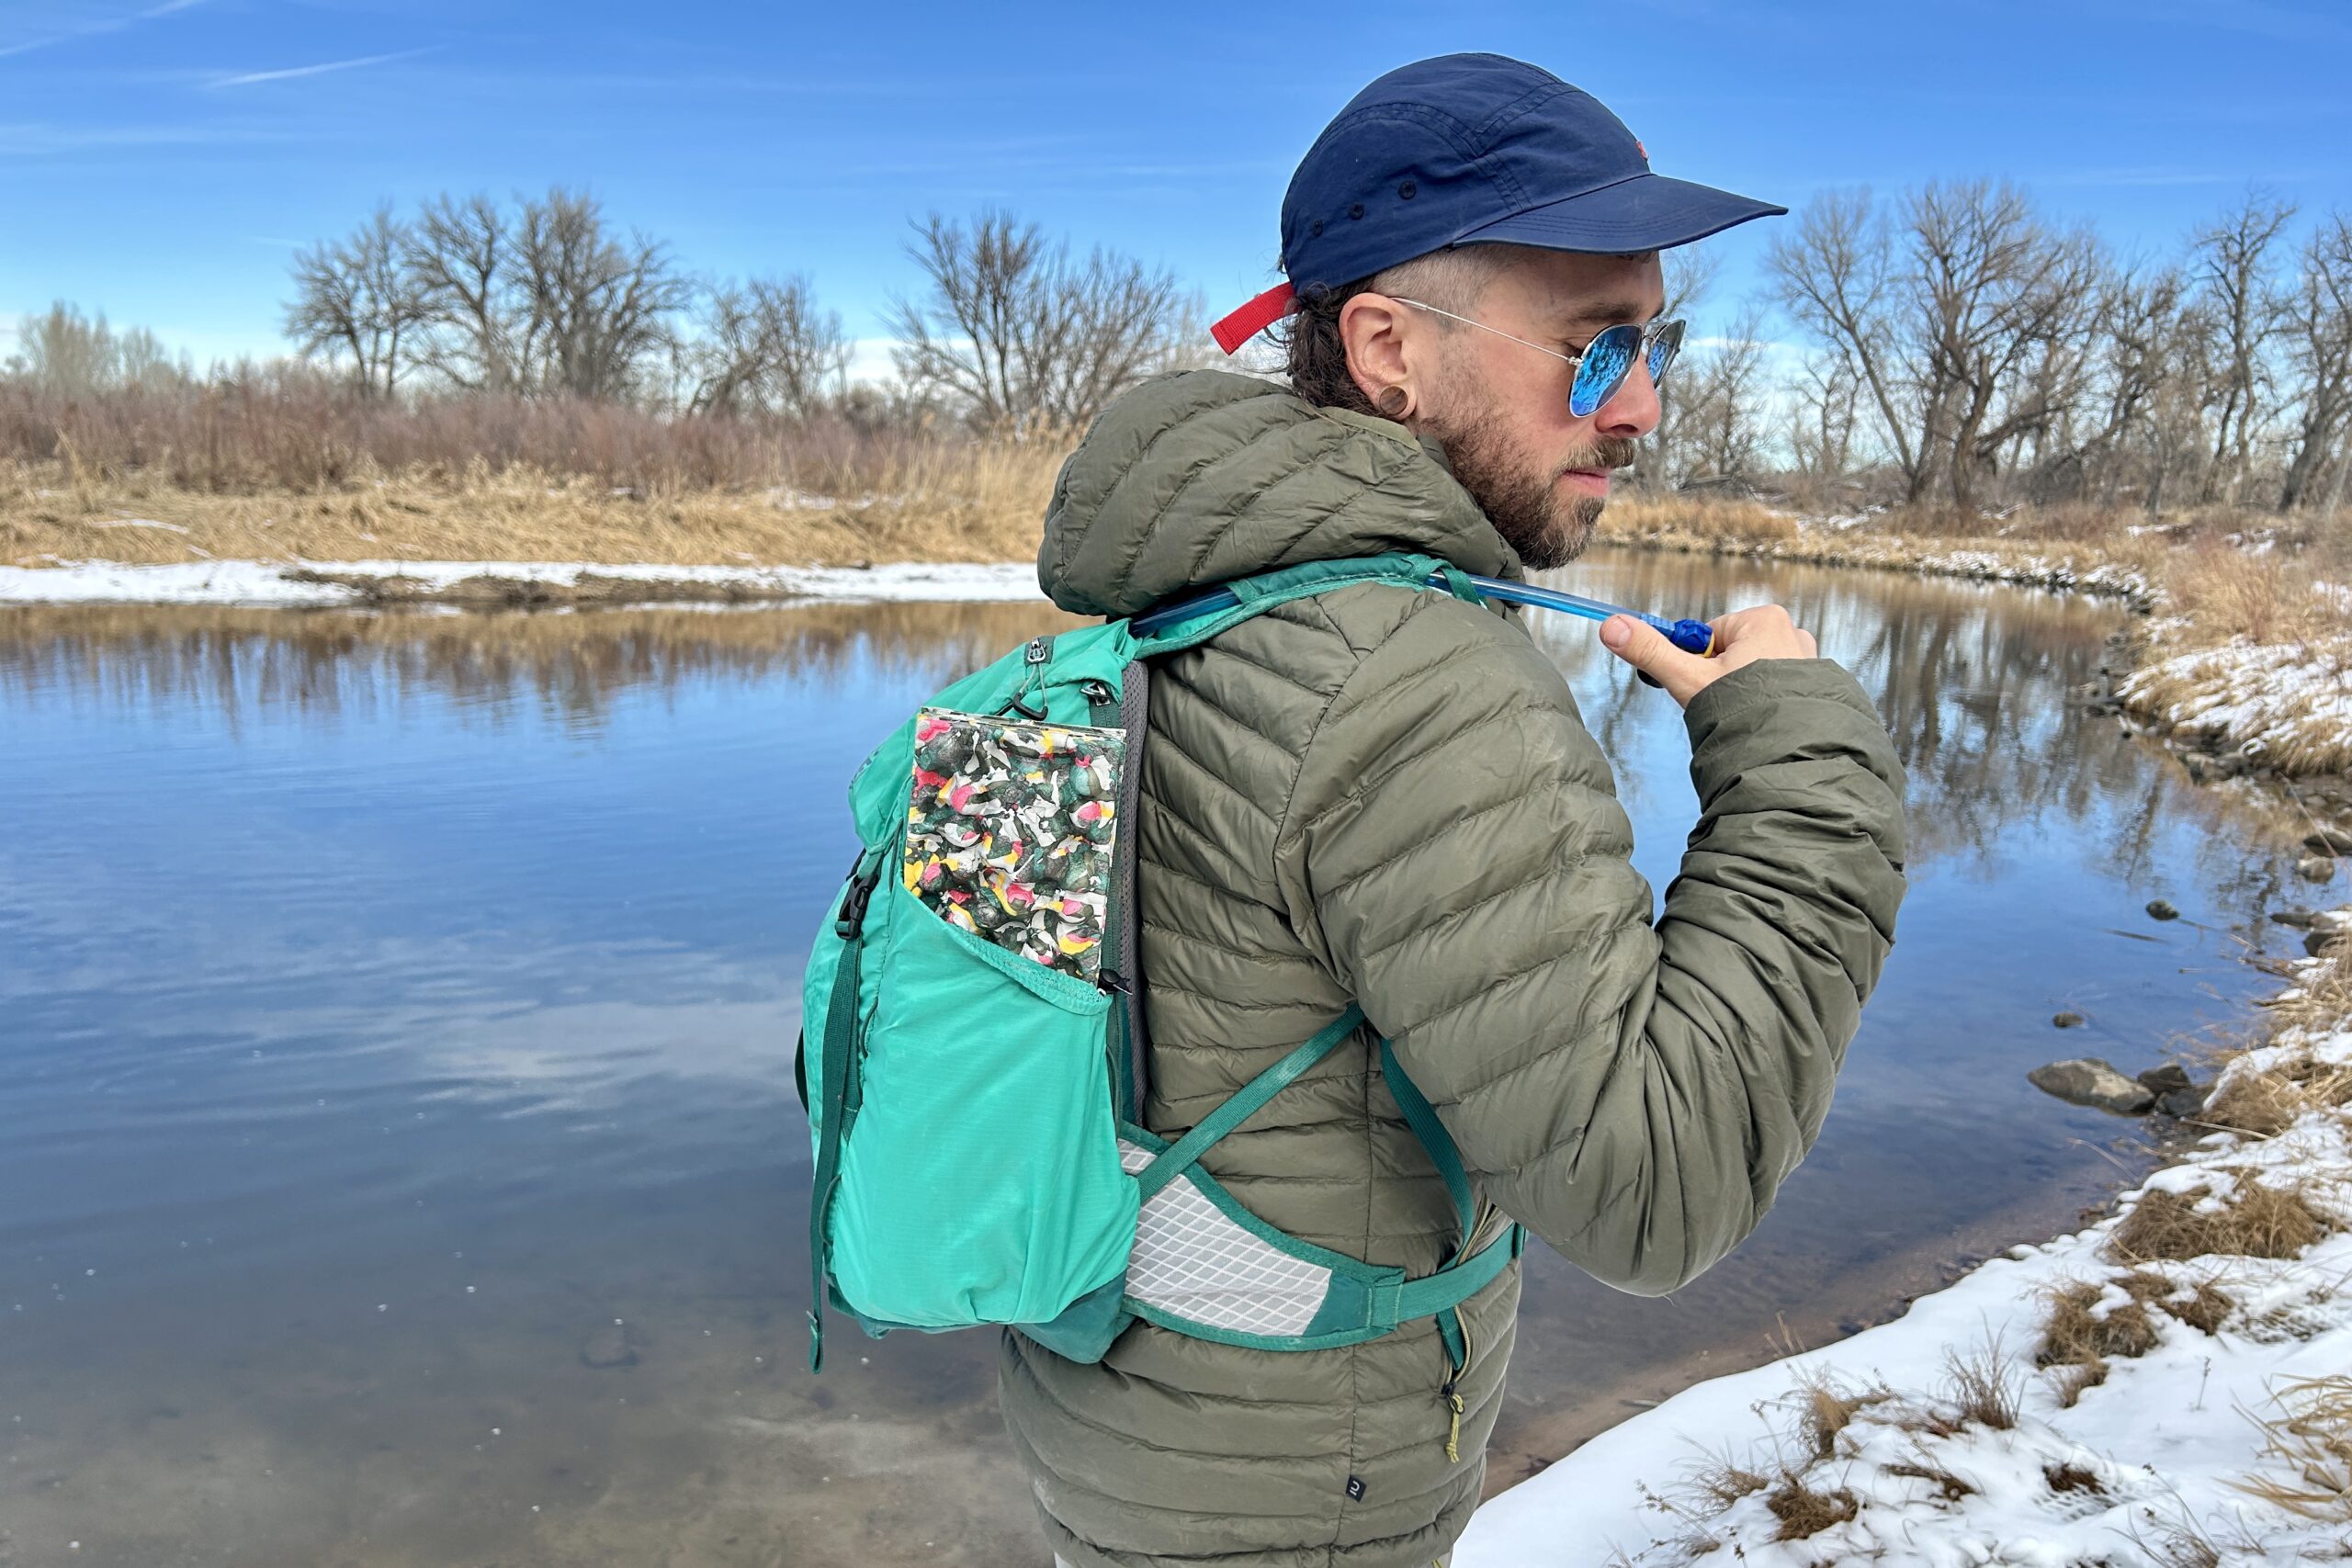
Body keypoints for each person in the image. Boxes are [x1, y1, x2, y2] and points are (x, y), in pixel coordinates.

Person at [1012, 52, 1908, 1568]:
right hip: (1299, 1491)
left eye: (1654, 342)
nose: (1642, 405)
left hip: (1122, 1413)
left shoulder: (1199, 588)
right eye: (1590, 347)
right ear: (1387, 352)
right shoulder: (1414, 677)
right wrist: (1804, 754)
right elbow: (1654, 1184)